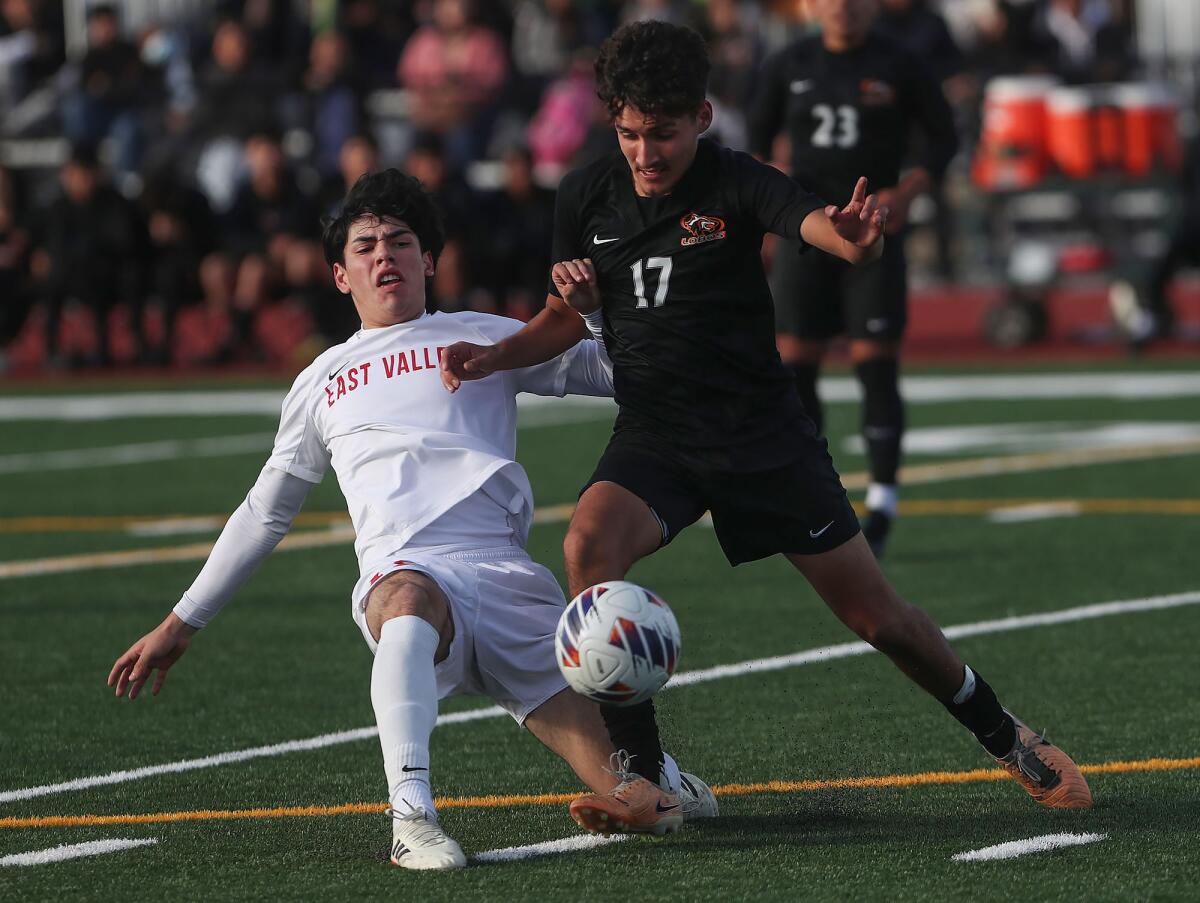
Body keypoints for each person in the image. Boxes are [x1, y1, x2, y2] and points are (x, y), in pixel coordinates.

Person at [440, 19, 1091, 834]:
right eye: (631, 134)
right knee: (587, 548)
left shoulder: (736, 180)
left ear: (703, 119)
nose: (646, 153)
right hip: (659, 434)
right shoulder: (583, 195)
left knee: (879, 620)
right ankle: (642, 776)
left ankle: (1007, 734)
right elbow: (563, 320)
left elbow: (814, 222)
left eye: (664, 135)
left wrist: (851, 239)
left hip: (762, 438)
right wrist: (494, 355)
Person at [107, 169, 714, 872]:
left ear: (429, 260)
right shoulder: (320, 380)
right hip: (408, 567)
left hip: (511, 577)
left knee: (638, 800)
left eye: (400, 241)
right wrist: (180, 621)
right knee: (403, 596)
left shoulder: (488, 336)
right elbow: (265, 511)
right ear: (340, 275)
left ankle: (661, 780)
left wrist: (595, 312)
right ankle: (413, 816)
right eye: (364, 246)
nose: (383, 255)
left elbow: (619, 374)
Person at [748, 0, 959, 558]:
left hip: (873, 236)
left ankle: (884, 498)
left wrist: (906, 195)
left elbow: (944, 139)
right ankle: (813, 496)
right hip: (806, 232)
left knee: (876, 363)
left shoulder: (900, 61)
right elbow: (753, 144)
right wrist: (777, 195)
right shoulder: (788, 62)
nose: (843, 7)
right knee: (795, 368)